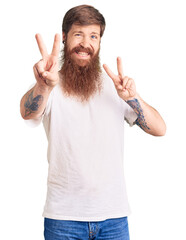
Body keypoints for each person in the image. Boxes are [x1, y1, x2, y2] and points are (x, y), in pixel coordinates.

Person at [20, 4, 166, 240]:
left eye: (93, 36)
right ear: (65, 37)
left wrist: (133, 99)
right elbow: (28, 113)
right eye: (78, 34)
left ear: (99, 42)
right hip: (63, 219)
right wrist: (42, 86)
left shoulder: (114, 87)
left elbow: (160, 129)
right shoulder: (50, 85)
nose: (85, 43)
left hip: (113, 218)